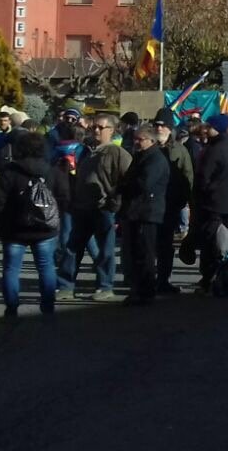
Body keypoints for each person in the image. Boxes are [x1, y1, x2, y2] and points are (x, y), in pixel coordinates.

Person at [0, 129, 70, 317]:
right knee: (46, 266)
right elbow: (64, 197)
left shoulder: (9, 172)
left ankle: (11, 307)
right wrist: (56, 217)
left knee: (11, 269)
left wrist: (0, 222)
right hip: (45, 229)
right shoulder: (52, 171)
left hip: (14, 228)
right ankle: (48, 305)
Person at [62, 114, 132, 302]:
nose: (96, 131)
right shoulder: (85, 151)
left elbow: (127, 181)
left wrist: (114, 203)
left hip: (103, 208)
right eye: (94, 127)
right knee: (72, 248)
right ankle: (66, 286)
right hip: (82, 207)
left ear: (112, 130)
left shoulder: (118, 154)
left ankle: (105, 286)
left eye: (101, 128)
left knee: (106, 250)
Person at [193, 114, 228, 292]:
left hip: (213, 204)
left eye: (209, 127)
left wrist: (199, 198)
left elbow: (203, 179)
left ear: (217, 128)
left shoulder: (213, 150)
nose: (206, 130)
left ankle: (209, 279)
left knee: (211, 243)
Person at [118, 125, 170, 305]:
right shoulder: (141, 156)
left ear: (151, 140)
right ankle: (138, 288)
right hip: (135, 211)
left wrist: (126, 185)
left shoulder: (155, 159)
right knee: (135, 252)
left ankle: (146, 291)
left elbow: (144, 184)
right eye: (135, 139)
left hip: (147, 212)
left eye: (140, 139)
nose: (136, 142)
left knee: (145, 253)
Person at [152, 109, 192, 296]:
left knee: (165, 246)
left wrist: (182, 200)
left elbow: (187, 177)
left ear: (170, 128)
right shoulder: (145, 146)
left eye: (163, 125)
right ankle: (146, 280)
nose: (159, 128)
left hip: (169, 205)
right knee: (147, 245)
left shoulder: (179, 150)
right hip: (149, 206)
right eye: (157, 125)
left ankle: (163, 280)